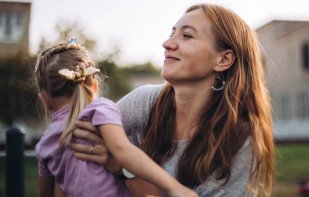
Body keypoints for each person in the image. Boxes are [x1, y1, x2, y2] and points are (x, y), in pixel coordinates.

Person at [71, 3, 275, 196]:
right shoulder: (145, 102)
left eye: (186, 36)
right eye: (172, 34)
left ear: (223, 60)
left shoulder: (240, 141)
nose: (167, 44)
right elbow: (79, 137)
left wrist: (125, 167)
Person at [34, 41, 198, 197]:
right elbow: (123, 151)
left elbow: (47, 193)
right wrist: (175, 187)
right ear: (94, 84)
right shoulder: (99, 110)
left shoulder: (45, 144)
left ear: (44, 100)